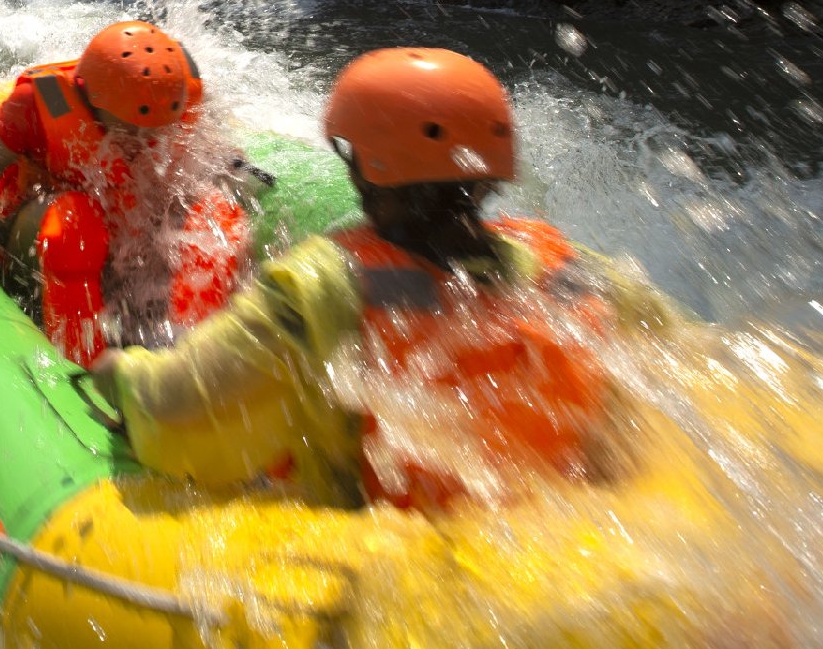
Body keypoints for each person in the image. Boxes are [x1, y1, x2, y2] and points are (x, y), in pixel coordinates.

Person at [93, 47, 680, 509]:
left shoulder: (322, 289)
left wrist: (122, 373)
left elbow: (181, 416)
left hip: (399, 565)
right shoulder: (580, 273)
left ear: (368, 169)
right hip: (569, 547)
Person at [0, 20, 250, 367]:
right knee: (76, 223)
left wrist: (227, 167)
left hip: (124, 230)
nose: (142, 139)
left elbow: (213, 150)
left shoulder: (176, 90)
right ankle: (83, 364)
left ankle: (195, 359)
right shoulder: (40, 99)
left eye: (153, 130)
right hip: (42, 226)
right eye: (129, 128)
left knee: (217, 213)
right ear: (89, 98)